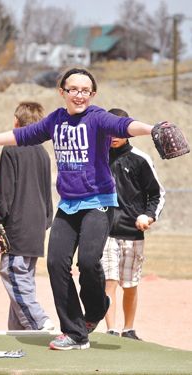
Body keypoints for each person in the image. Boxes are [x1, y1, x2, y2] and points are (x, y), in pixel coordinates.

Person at [0, 67, 165, 350]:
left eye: (86, 90)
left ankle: (95, 309)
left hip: (99, 203)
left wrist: (152, 128)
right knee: (56, 262)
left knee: (87, 262)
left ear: (92, 94)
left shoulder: (97, 118)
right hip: (69, 205)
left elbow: (125, 126)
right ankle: (74, 332)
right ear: (63, 92)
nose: (79, 95)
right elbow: (21, 135)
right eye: (73, 89)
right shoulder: (55, 121)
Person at [101, 108, 165, 340]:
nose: (114, 136)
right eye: (109, 131)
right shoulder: (98, 157)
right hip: (105, 231)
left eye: (119, 131)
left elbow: (157, 194)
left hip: (132, 232)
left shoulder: (140, 159)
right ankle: (110, 330)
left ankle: (128, 329)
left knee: (129, 284)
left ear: (128, 132)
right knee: (110, 280)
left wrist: (148, 216)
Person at [0, 101, 54, 331]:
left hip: (17, 227)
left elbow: (4, 192)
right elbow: (47, 193)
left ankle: (40, 322)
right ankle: (17, 333)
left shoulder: (11, 148)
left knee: (13, 275)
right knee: (24, 282)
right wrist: (46, 220)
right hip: (37, 226)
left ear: (16, 123)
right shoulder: (42, 153)